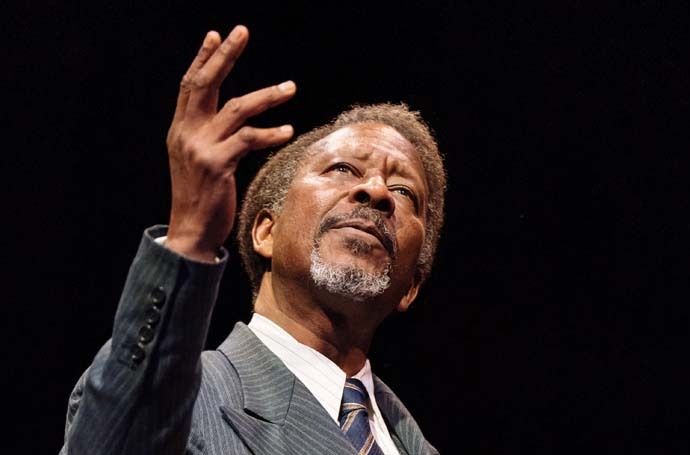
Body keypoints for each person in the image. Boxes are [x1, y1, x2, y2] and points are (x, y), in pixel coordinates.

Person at [60, 24, 446, 455]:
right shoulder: (177, 400)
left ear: (411, 286)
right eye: (342, 169)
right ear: (267, 231)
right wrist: (189, 238)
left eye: (403, 192)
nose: (375, 191)